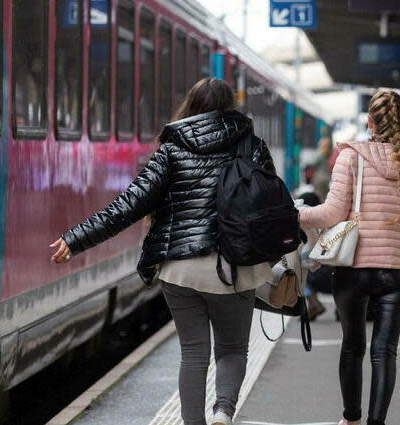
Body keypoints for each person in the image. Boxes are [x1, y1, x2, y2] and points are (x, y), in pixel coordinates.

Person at [49, 78, 273, 425]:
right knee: (231, 349)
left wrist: (76, 239)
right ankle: (223, 412)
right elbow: (269, 204)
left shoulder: (171, 149)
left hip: (180, 268)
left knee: (193, 353)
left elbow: (128, 206)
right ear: (230, 108)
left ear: (191, 106)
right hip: (235, 264)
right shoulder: (252, 146)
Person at [299, 90, 400, 425]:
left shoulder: (351, 157)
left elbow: (332, 214)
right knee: (384, 351)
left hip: (354, 269)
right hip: (398, 273)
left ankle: (352, 419)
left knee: (353, 346)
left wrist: (299, 214)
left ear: (370, 122)